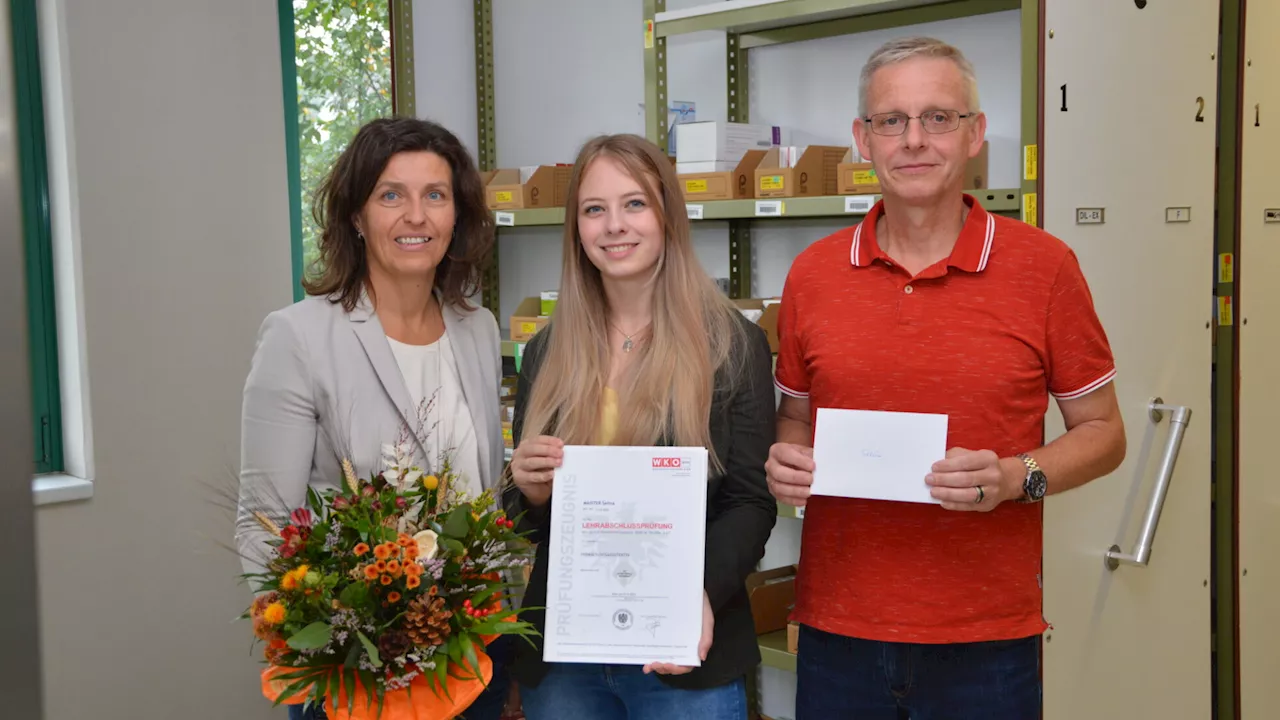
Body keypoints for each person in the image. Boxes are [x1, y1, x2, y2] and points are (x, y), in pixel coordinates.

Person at [765, 37, 1127, 719]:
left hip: (987, 640)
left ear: (975, 135)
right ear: (861, 140)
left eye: (938, 117)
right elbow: (795, 417)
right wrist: (786, 458)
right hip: (838, 630)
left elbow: (1105, 432)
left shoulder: (1044, 268)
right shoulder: (812, 275)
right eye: (890, 120)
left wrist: (1018, 476)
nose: (914, 140)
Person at [235, 117, 516, 720]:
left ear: (457, 216)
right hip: (357, 682)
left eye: (435, 196)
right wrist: (331, 644)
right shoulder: (299, 336)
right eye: (392, 195)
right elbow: (263, 523)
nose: (416, 216)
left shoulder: (477, 328)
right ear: (356, 217)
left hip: (468, 664)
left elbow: (483, 500)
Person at [502, 133, 778, 720]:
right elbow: (530, 521)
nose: (613, 226)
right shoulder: (548, 350)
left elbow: (751, 502)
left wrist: (692, 598)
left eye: (634, 204)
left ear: (667, 215)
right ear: (576, 227)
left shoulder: (731, 345)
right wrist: (526, 488)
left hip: (683, 654)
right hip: (566, 659)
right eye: (594, 209)